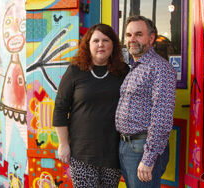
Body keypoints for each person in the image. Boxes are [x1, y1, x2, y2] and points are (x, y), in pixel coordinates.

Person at [53, 23, 128, 188]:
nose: (101, 44)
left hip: (112, 151)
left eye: (106, 40)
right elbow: (60, 108)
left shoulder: (123, 72)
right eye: (96, 41)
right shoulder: (75, 70)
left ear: (113, 45)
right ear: (88, 45)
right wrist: (63, 143)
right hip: (82, 152)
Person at [115, 15, 176, 188]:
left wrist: (148, 159)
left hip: (142, 149)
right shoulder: (133, 67)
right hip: (126, 146)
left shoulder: (160, 68)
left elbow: (162, 118)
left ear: (151, 38)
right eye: (128, 35)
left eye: (138, 34)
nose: (132, 39)